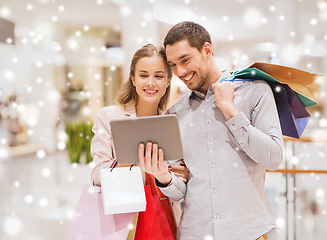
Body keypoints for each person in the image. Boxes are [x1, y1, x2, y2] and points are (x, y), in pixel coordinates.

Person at [138, 21, 283, 240]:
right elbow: (181, 191)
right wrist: (162, 176)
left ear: (207, 50)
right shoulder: (176, 113)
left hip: (247, 232)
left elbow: (273, 158)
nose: (180, 72)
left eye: (185, 60)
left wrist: (230, 110)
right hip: (194, 233)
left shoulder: (255, 91)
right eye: (173, 65)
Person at [90, 43, 190, 239]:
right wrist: (123, 163)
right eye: (144, 75)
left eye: (159, 76)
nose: (150, 83)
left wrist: (163, 176)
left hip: (165, 222)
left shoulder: (176, 123)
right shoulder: (109, 117)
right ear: (133, 79)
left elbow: (180, 192)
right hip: (123, 221)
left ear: (168, 81)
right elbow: (95, 176)